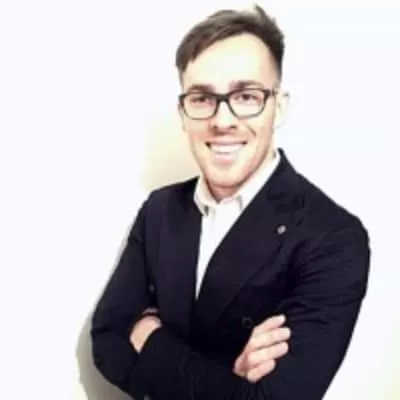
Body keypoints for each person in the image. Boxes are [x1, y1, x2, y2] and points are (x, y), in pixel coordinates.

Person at [90, 4, 370, 400]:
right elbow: (107, 341)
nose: (222, 121)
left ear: (279, 107)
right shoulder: (160, 210)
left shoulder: (334, 236)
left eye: (246, 96)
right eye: (202, 98)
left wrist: (149, 337)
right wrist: (229, 379)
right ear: (183, 112)